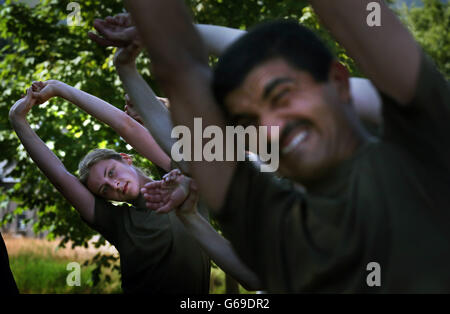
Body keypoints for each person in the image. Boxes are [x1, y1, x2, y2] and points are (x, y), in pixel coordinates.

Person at [114, 0, 450, 293]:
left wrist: (171, 32)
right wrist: (134, 59)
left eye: (282, 96)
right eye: (249, 121)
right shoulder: (286, 228)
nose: (273, 127)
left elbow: (342, 21)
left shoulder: (420, 145)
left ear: (338, 82)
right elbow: (184, 110)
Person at [8, 79, 260, 292]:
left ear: (126, 159)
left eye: (111, 172)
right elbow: (61, 177)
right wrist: (18, 120)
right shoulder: (118, 223)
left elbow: (126, 126)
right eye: (103, 189)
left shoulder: (182, 180)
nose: (112, 184)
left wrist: (62, 89)